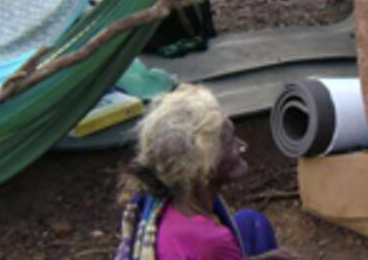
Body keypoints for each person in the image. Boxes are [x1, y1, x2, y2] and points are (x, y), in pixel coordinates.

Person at [113, 85, 297, 260]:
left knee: (250, 223)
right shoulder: (211, 242)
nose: (241, 146)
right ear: (204, 168)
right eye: (230, 142)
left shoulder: (160, 198)